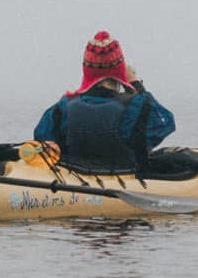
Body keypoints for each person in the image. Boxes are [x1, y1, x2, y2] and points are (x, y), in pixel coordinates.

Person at [33, 30, 176, 173]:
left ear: (86, 71)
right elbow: (166, 124)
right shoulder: (137, 105)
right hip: (126, 176)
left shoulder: (64, 106)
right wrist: (136, 84)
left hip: (72, 180)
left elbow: (41, 136)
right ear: (120, 71)